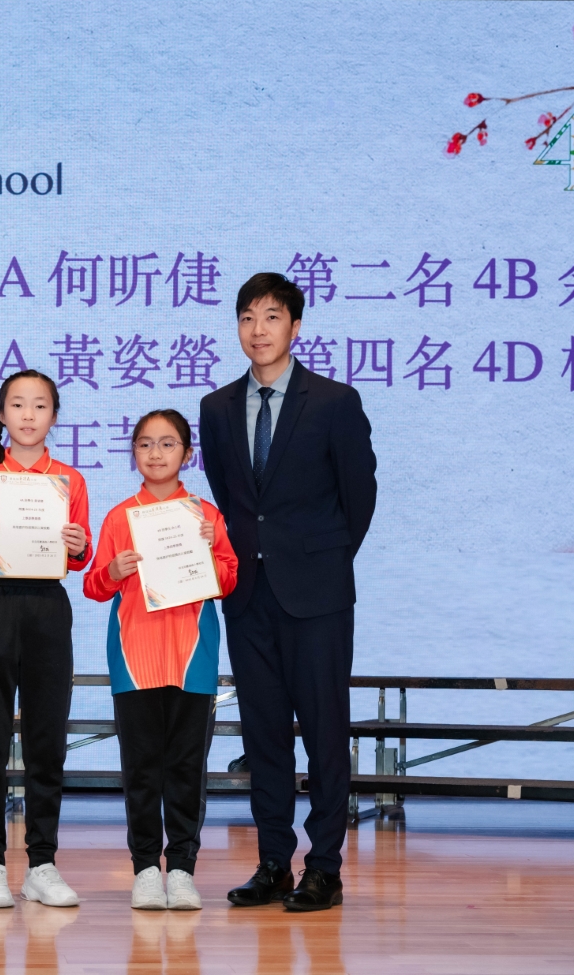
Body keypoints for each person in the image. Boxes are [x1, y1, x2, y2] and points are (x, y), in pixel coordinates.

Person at [199, 273, 377, 913]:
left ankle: (324, 867)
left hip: (317, 596)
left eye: (271, 317)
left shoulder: (334, 401)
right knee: (264, 734)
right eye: (247, 317)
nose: (258, 330)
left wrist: (318, 561)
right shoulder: (217, 408)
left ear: (295, 326)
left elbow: (359, 497)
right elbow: (230, 498)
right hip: (248, 595)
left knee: (325, 733)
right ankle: (274, 861)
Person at [83, 409, 239, 911]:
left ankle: (184, 870)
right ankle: (147, 869)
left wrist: (210, 552)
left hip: (193, 658)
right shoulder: (119, 517)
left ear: (187, 454)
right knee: (142, 769)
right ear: (134, 453)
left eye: (168, 443)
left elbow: (229, 581)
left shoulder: (206, 516)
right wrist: (113, 569)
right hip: (135, 659)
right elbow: (93, 586)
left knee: (188, 768)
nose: (155, 453)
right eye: (145, 443)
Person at [0, 370, 93, 909]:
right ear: (2, 415)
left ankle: (42, 864)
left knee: (46, 739)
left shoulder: (70, 480)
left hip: (46, 606)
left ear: (54, 416)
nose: (29, 414)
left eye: (40, 405)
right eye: (18, 404)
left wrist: (78, 545)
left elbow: (79, 557)